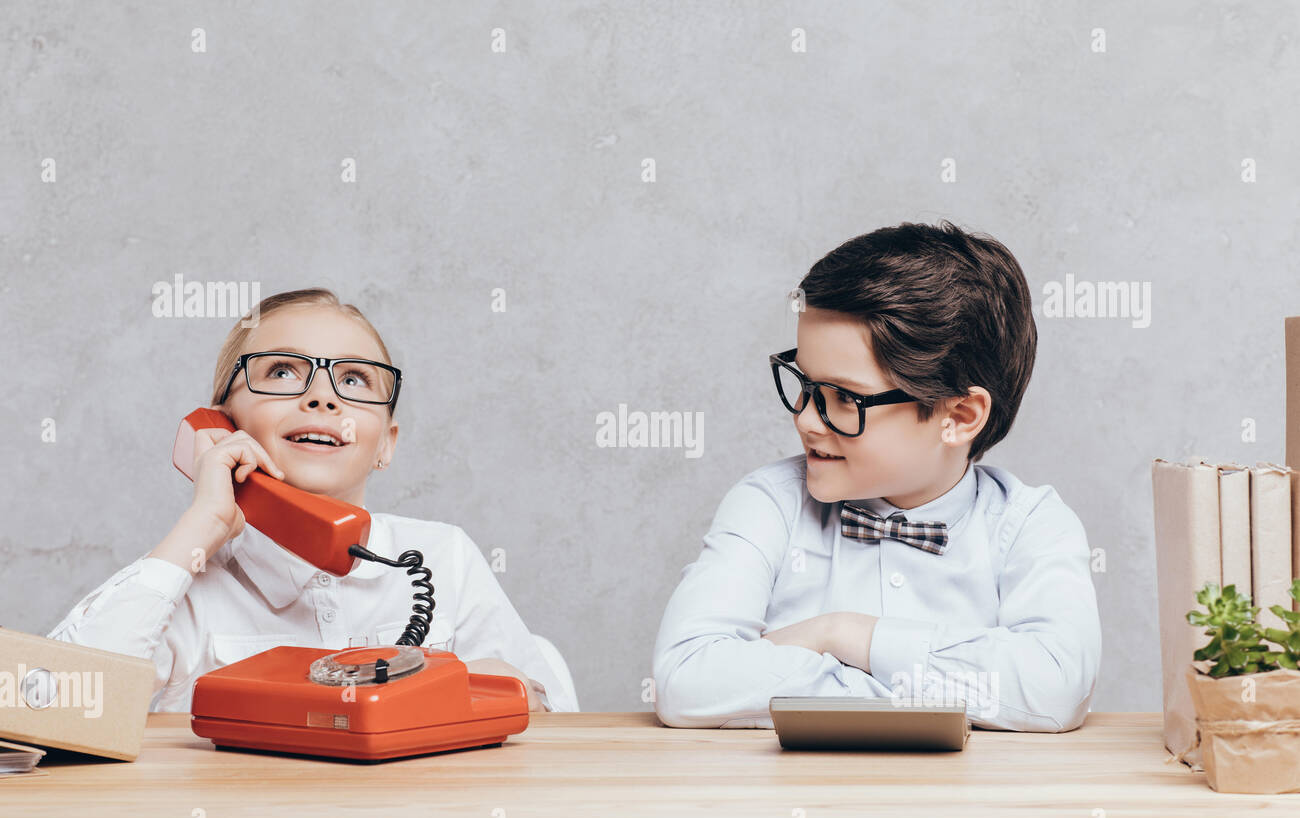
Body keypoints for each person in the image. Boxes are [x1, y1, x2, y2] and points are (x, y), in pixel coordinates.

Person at [652, 221, 1101, 731]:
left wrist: (840, 635)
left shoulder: (1030, 525)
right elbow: (685, 679)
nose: (804, 419)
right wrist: (928, 688)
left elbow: (1055, 688)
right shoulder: (768, 505)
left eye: (844, 398)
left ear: (959, 416)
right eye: (803, 383)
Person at [48, 288, 577, 713]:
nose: (321, 397)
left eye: (353, 378)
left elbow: (538, 714)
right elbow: (60, 708)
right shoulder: (187, 585)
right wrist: (202, 523)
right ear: (221, 425)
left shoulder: (444, 559)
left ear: (385, 444)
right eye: (281, 372)